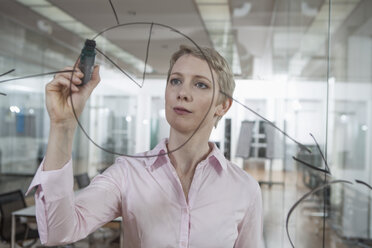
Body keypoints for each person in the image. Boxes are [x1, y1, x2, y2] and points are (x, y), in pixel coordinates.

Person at [27, 45, 263, 247]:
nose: (182, 93)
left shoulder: (244, 189)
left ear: (223, 106)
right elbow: (58, 232)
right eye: (176, 81)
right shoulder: (128, 173)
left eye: (200, 85)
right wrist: (63, 126)